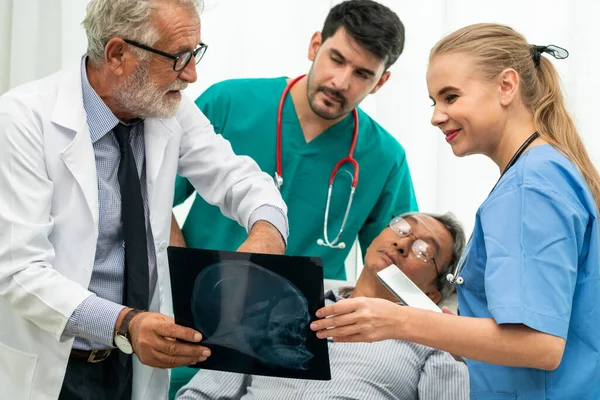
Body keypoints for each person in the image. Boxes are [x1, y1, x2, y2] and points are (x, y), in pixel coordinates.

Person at [0, 0, 290, 399]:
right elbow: (19, 270)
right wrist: (125, 324)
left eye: (195, 53)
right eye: (178, 57)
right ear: (118, 54)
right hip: (56, 362)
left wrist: (267, 233)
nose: (191, 74)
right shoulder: (22, 119)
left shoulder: (168, 109)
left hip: (134, 365)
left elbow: (237, 176)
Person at [311, 23, 600, 399]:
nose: (436, 116)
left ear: (507, 86)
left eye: (451, 97)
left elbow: (540, 344)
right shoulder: (547, 172)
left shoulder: (530, 186)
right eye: (434, 102)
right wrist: (451, 327)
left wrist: (399, 320)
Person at [170, 0, 418, 282]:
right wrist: (180, 270)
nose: (341, 82)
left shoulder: (385, 158)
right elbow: (150, 195)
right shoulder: (227, 102)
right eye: (336, 59)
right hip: (200, 296)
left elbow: (396, 266)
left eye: (362, 74)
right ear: (315, 46)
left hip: (307, 319)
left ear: (381, 82)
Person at [176, 212, 469, 400]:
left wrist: (448, 340)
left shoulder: (433, 343)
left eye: (424, 250)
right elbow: (203, 392)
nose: (403, 245)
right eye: (403, 229)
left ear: (431, 295)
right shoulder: (285, 300)